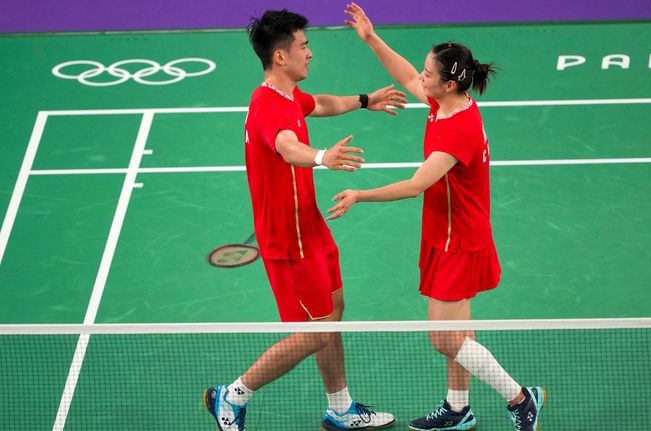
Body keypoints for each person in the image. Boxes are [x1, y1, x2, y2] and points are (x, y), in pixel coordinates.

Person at [330, 3, 545, 431]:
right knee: (458, 335)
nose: (421, 79)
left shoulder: (458, 128)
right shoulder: (444, 103)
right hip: (444, 232)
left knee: (443, 337)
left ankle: (521, 398)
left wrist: (360, 194)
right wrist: (372, 38)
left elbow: (415, 185)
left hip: (459, 240)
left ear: (449, 83)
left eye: (430, 74)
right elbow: (407, 74)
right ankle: (458, 406)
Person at [203, 9, 407, 431]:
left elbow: (323, 104)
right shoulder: (267, 108)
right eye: (303, 46)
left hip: (310, 227)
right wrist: (321, 158)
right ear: (280, 57)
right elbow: (286, 146)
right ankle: (233, 394)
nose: (310, 54)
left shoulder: (288, 96)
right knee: (315, 332)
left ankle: (341, 408)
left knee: (333, 311)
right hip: (287, 241)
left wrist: (366, 100)